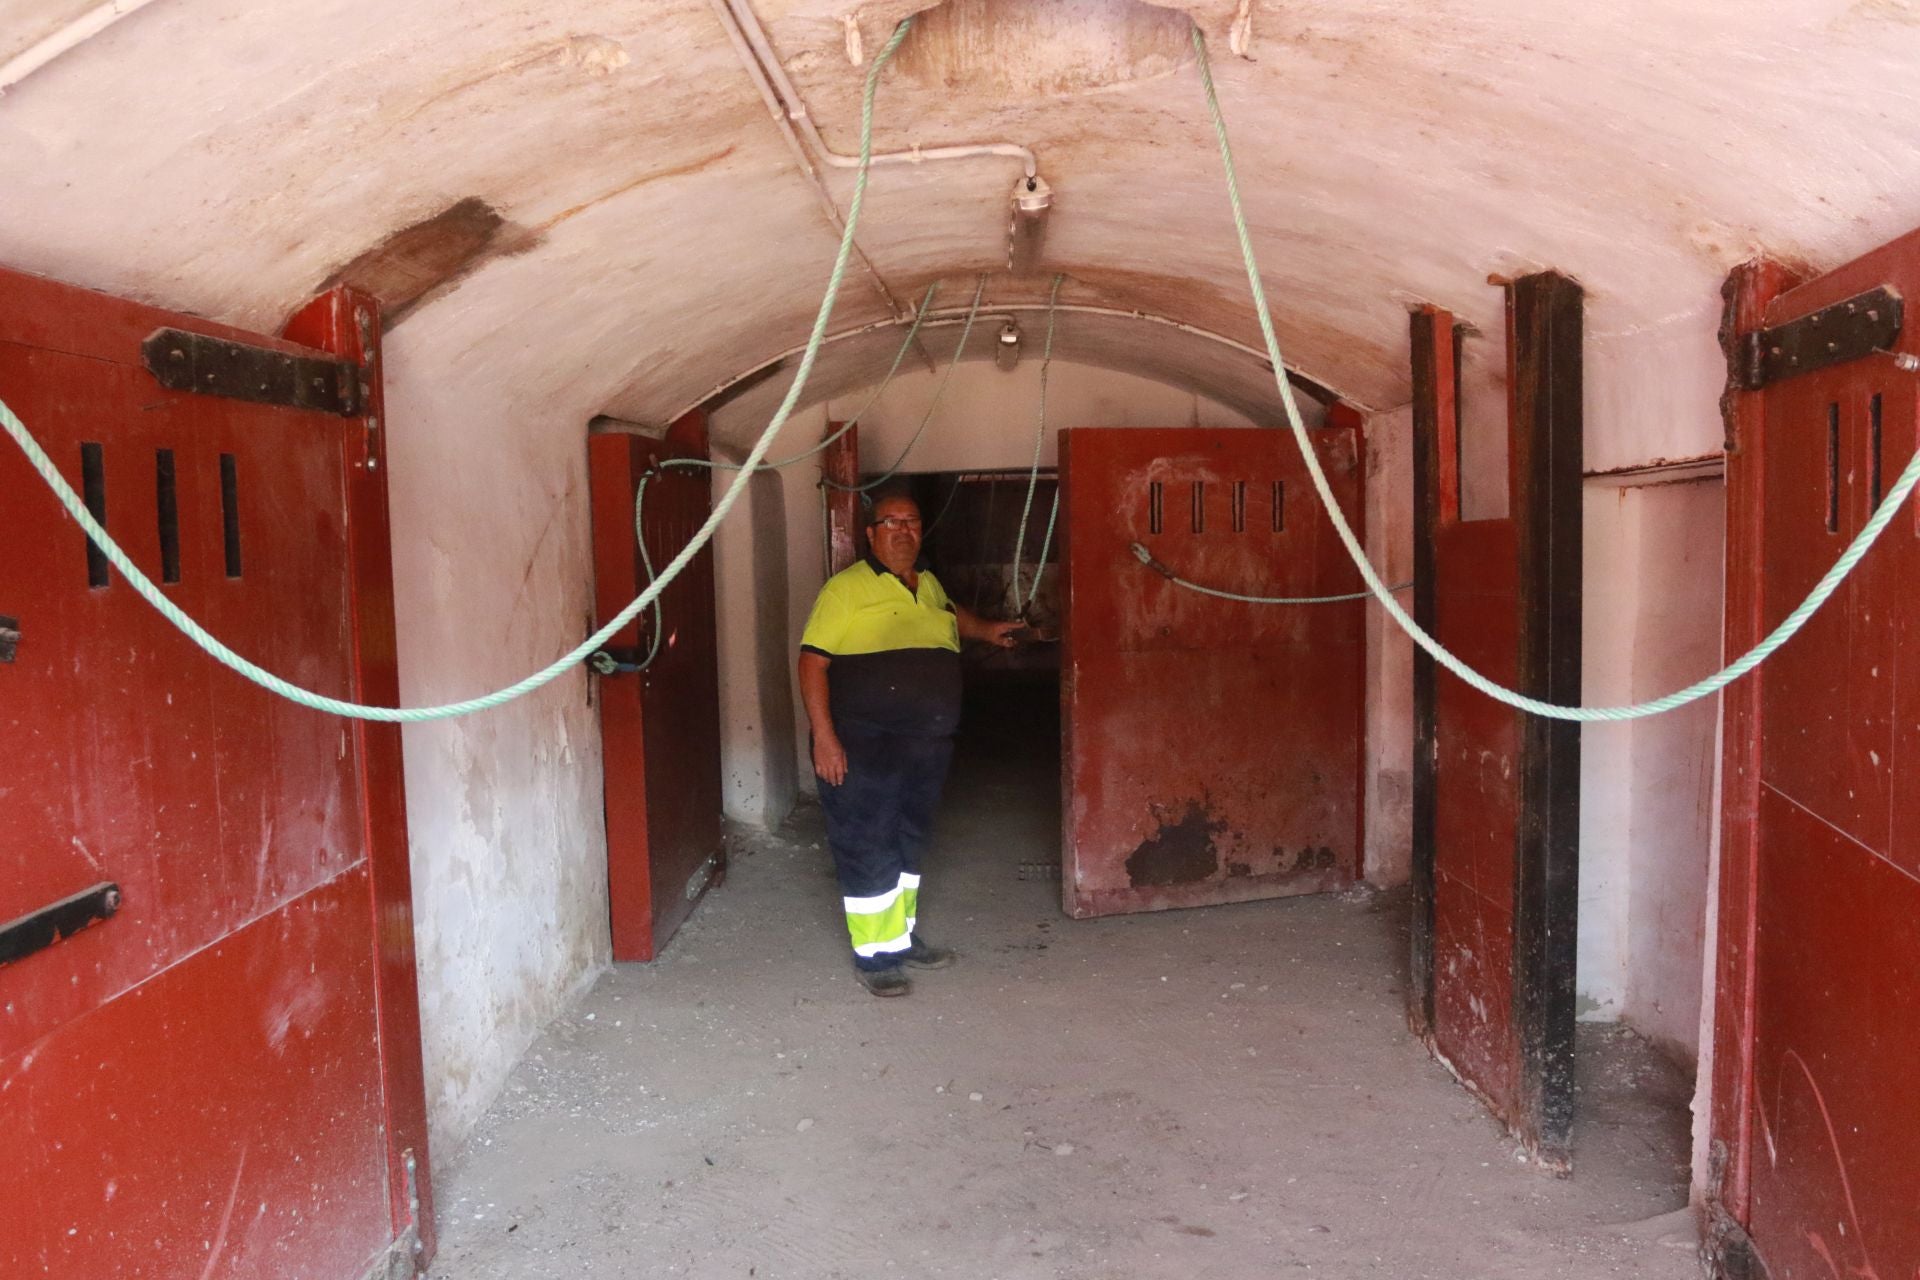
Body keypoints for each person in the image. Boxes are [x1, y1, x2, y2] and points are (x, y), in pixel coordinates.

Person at [797, 489, 1022, 996]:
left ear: (921, 530)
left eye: (912, 521)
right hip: (863, 742)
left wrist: (987, 630)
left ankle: (900, 937)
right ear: (872, 534)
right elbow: (811, 663)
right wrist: (825, 739)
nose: (903, 530)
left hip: (925, 743)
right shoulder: (846, 589)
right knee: (866, 839)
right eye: (890, 522)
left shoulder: (927, 582)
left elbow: (948, 614)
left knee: (909, 839)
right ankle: (874, 958)